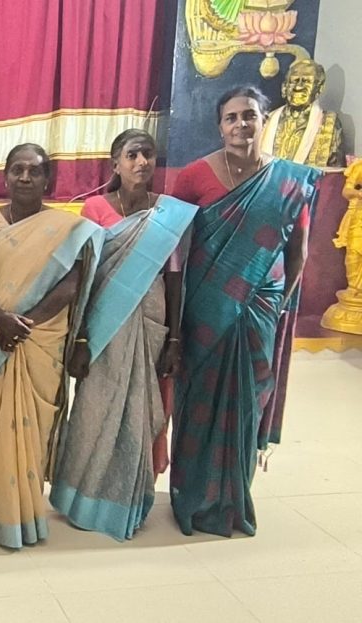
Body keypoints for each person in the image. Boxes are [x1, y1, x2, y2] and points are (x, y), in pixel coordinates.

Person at [169, 86, 321, 537]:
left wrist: (275, 301)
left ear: (263, 120)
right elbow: (175, 249)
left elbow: (298, 251)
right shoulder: (194, 177)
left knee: (248, 400)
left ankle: (233, 499)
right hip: (204, 308)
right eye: (231, 117)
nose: (241, 125)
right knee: (198, 398)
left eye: (249, 116)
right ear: (220, 126)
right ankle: (190, 497)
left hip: (259, 309)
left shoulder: (289, 181)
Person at [49, 130, 197, 541]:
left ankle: (127, 500)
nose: (141, 162)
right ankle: (80, 496)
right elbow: (84, 276)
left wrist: (174, 338)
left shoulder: (167, 213)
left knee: (139, 413)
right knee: (94, 409)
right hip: (103, 323)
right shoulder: (95, 208)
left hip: (150, 322)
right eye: (132, 155)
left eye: (148, 154)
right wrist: (80, 337)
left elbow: (174, 278)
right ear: (115, 163)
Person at [0, 144, 101, 549]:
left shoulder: (67, 228)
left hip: (40, 339)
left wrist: (24, 324)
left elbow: (72, 283)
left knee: (31, 428)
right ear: (5, 176)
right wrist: (2, 319)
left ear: (47, 180)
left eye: (34, 171)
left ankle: (22, 513)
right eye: (17, 169)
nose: (25, 177)